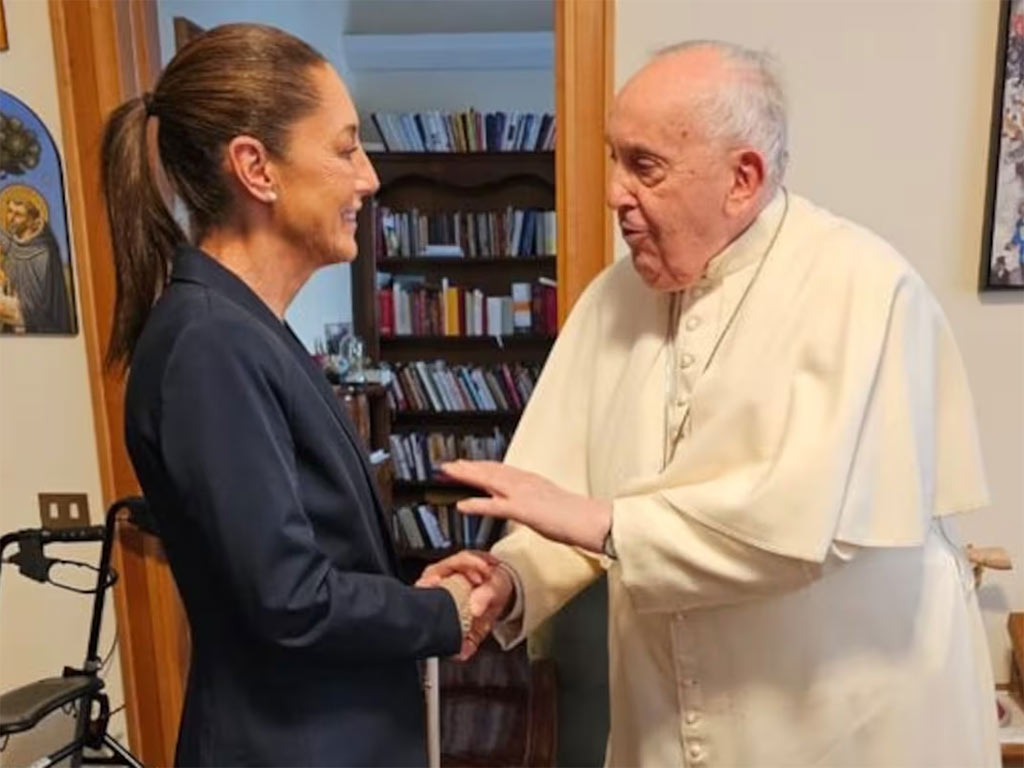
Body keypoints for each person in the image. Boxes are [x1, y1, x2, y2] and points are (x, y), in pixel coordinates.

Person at [422, 41, 1000, 767]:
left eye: (645, 166)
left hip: (845, 722)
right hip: (668, 719)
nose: (614, 193)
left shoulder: (864, 289)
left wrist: (606, 523)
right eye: (614, 158)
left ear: (742, 179)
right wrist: (509, 580)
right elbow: (564, 500)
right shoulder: (612, 299)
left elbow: (792, 526)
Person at [101, 23, 476, 767]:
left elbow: (310, 557)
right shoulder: (210, 344)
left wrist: (414, 595)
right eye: (345, 148)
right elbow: (289, 599)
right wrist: (441, 613)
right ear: (257, 168)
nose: (369, 178)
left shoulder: (247, 328)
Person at [0, 192, 73, 333]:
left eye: (18, 214)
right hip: (11, 330)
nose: (11, 218)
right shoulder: (13, 245)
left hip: (37, 331)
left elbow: (41, 308)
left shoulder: (43, 254)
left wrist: (8, 307)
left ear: (30, 221)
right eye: (9, 211)